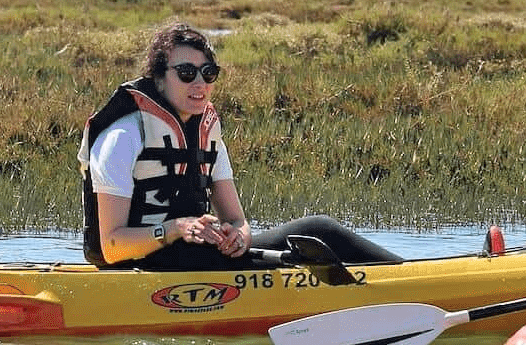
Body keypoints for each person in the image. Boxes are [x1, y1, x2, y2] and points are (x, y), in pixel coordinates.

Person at [78, 20, 403, 271]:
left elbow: (236, 220)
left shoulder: (206, 130)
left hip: (198, 256)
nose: (200, 83)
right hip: (139, 266)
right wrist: (176, 229)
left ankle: (414, 278)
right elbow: (111, 245)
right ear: (159, 78)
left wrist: (240, 237)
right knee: (284, 260)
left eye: (208, 73)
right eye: (186, 73)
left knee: (319, 229)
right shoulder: (122, 137)